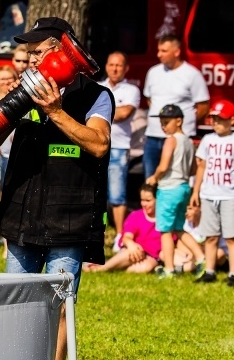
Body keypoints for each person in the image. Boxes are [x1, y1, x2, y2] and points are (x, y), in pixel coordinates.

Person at [0, 17, 114, 360]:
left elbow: (99, 144)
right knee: (15, 305)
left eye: (36, 52)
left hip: (69, 218)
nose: (30, 59)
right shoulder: (24, 92)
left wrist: (56, 111)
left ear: (60, 51)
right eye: (27, 54)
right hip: (23, 215)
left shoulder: (96, 95)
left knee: (58, 309)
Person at [144, 104, 206, 279]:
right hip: (184, 188)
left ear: (179, 121)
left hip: (169, 188)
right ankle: (201, 257)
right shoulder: (188, 141)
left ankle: (169, 269)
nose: (164, 126)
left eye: (167, 122)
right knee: (179, 228)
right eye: (162, 123)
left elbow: (163, 166)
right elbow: (194, 169)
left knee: (165, 231)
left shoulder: (171, 140)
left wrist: (154, 178)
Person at [142, 35, 209, 178]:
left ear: (177, 52)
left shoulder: (192, 74)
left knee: (178, 178)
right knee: (150, 180)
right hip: (153, 136)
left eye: (164, 51)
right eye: (158, 50)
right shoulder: (153, 72)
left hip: (179, 137)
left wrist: (185, 123)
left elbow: (203, 106)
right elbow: (149, 99)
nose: (158, 54)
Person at [99, 51, 142, 251]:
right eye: (112, 64)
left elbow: (125, 114)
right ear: (106, 66)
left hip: (119, 148)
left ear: (126, 68)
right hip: (97, 146)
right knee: (96, 194)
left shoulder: (132, 90)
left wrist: (99, 112)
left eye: (119, 65)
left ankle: (119, 236)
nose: (115, 68)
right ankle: (97, 232)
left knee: (117, 195)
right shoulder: (98, 87)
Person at [191, 100, 234, 285]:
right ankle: (210, 271)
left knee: (231, 237)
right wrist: (196, 191)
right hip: (209, 194)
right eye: (214, 119)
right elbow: (201, 166)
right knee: (210, 236)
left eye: (220, 119)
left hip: (229, 195)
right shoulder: (208, 140)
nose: (216, 123)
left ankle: (233, 273)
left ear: (232, 120)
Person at [84, 184, 160, 273]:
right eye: (142, 200)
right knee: (130, 252)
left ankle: (115, 268)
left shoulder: (164, 220)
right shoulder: (136, 216)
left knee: (146, 267)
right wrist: (131, 245)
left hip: (152, 256)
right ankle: (102, 268)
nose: (144, 204)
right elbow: (127, 237)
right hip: (134, 250)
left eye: (148, 200)